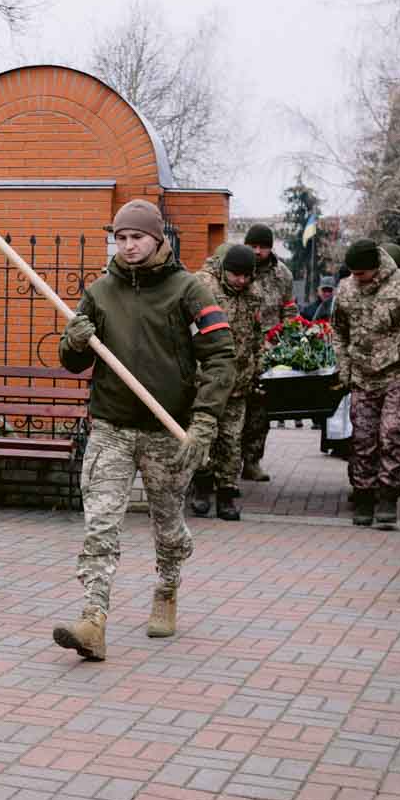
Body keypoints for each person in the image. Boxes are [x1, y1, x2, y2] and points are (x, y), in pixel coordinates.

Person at [55, 200, 234, 658]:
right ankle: (93, 619)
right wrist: (72, 344)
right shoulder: (100, 292)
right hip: (111, 426)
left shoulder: (188, 290)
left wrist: (206, 421)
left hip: (165, 430)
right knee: (100, 524)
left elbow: (220, 356)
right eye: (121, 237)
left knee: (168, 525)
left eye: (137, 237)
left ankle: (168, 587)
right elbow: (75, 359)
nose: (129, 245)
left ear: (159, 239)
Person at [331, 240, 400, 528]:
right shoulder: (345, 290)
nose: (356, 279)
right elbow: (339, 333)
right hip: (362, 376)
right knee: (362, 439)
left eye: (361, 274)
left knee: (392, 434)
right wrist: (344, 369)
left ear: (376, 267)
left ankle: (387, 497)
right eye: (353, 273)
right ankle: (364, 495)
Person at [189, 243, 263, 521]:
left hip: (239, 380)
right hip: (206, 380)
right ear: (224, 270)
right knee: (206, 436)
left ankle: (227, 494)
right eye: (236, 275)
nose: (241, 281)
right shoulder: (204, 287)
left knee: (232, 440)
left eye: (246, 276)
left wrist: (258, 365)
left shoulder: (253, 295)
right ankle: (201, 485)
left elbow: (257, 335)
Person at [237, 224, 296, 482]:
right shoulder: (238, 267)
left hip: (268, 349)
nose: (258, 251)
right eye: (253, 246)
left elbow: (289, 310)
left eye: (263, 247)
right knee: (234, 407)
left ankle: (252, 461)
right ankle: (224, 464)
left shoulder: (282, 274)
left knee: (260, 411)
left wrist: (289, 340)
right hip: (239, 345)